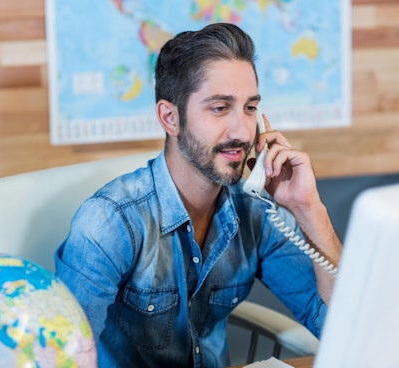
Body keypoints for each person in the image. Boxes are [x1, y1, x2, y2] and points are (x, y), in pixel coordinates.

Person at [55, 22, 342, 367]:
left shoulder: (256, 212)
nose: (241, 131)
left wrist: (309, 207)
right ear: (170, 118)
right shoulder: (109, 222)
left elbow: (340, 323)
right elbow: (64, 359)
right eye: (220, 108)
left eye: (250, 108)